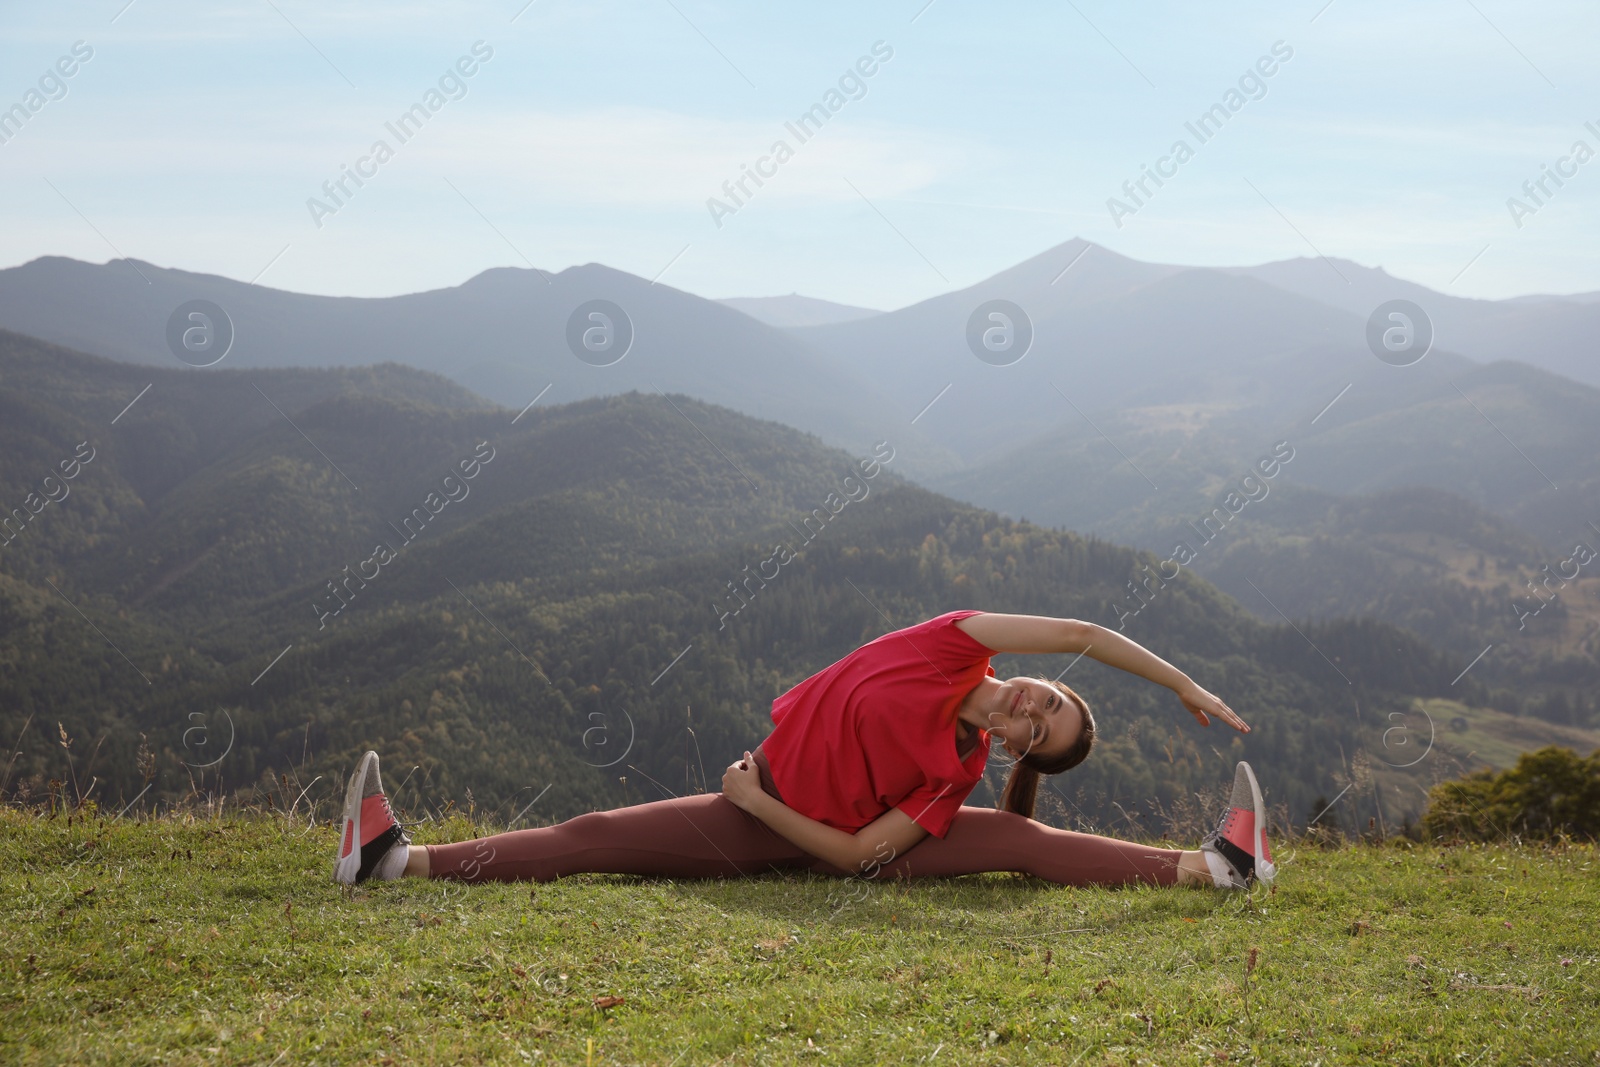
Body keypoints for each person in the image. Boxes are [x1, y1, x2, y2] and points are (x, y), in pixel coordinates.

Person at [333, 611, 1275, 891]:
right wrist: (1182, 684)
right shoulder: (954, 638)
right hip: (770, 794)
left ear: (1016, 742)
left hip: (781, 824)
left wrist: (754, 806)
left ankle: (1217, 868)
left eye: (1038, 735)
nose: (1031, 715)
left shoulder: (957, 766)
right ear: (1051, 675)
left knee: (1014, 842)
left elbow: (864, 857)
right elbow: (1088, 627)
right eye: (1051, 702)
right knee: (596, 831)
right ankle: (394, 859)